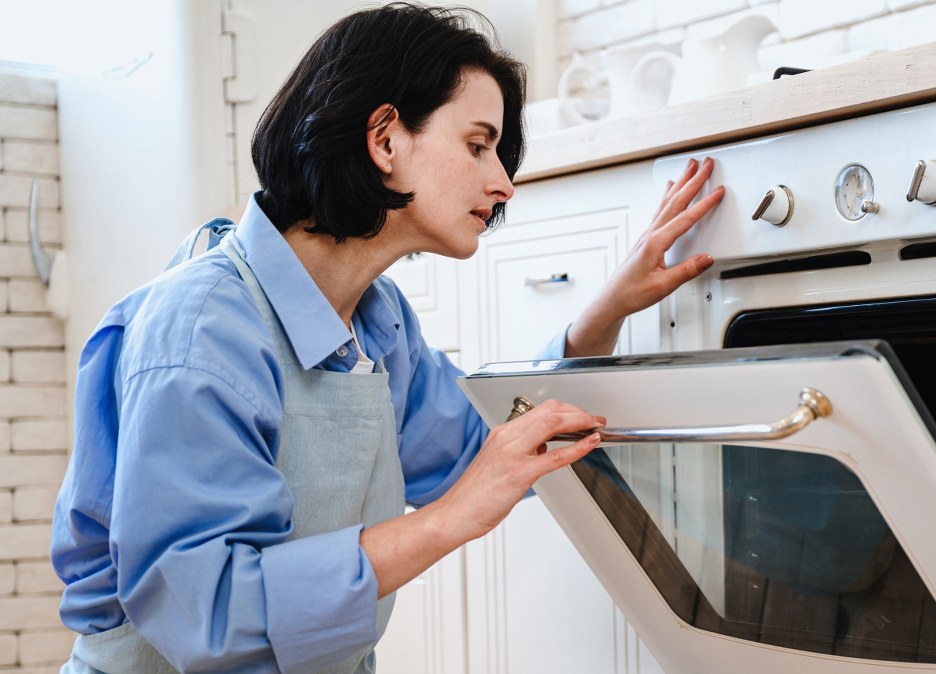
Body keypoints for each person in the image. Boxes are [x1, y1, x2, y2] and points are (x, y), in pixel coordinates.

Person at [49, 3, 725, 672]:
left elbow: (477, 453)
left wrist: (603, 314)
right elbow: (208, 616)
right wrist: (447, 519)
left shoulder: (378, 319)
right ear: (385, 140)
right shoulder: (203, 329)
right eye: (477, 144)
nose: (504, 185)